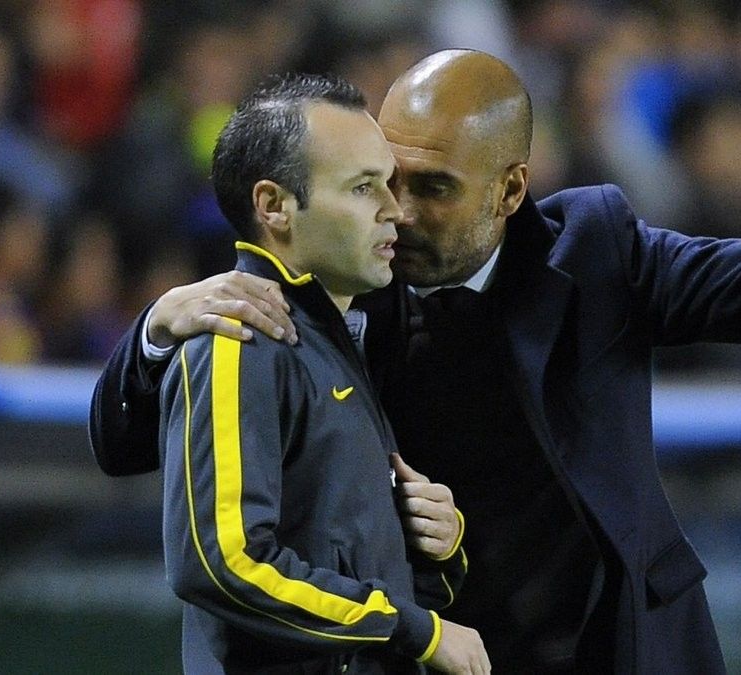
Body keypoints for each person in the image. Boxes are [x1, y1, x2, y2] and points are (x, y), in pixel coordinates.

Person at [91, 50, 741, 672]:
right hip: (447, 648)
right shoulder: (332, 285)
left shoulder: (594, 249)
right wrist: (157, 330)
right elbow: (133, 449)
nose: (398, 212)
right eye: (386, 179)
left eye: (434, 188)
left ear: (511, 190)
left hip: (618, 643)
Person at [155, 72, 487, 674]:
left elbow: (360, 579)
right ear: (274, 206)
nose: (395, 211)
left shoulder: (335, 338)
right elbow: (223, 563)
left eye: (388, 183)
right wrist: (415, 630)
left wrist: (435, 547)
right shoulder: (240, 339)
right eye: (363, 188)